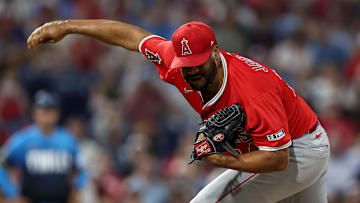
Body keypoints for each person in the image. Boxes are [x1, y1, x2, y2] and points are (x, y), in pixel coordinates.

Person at [27, 20, 330, 203]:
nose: (191, 70)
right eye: (186, 64)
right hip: (298, 144)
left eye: (198, 62)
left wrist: (223, 160)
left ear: (214, 51)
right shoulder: (176, 61)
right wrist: (68, 27)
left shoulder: (252, 90)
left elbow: (277, 159)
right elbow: (131, 37)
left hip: (296, 152)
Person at [0, 90, 87, 203]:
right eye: (42, 110)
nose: (46, 114)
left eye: (50, 110)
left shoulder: (68, 140)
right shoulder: (22, 139)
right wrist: (12, 193)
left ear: (57, 113)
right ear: (34, 113)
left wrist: (77, 188)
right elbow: (1, 164)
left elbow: (82, 168)